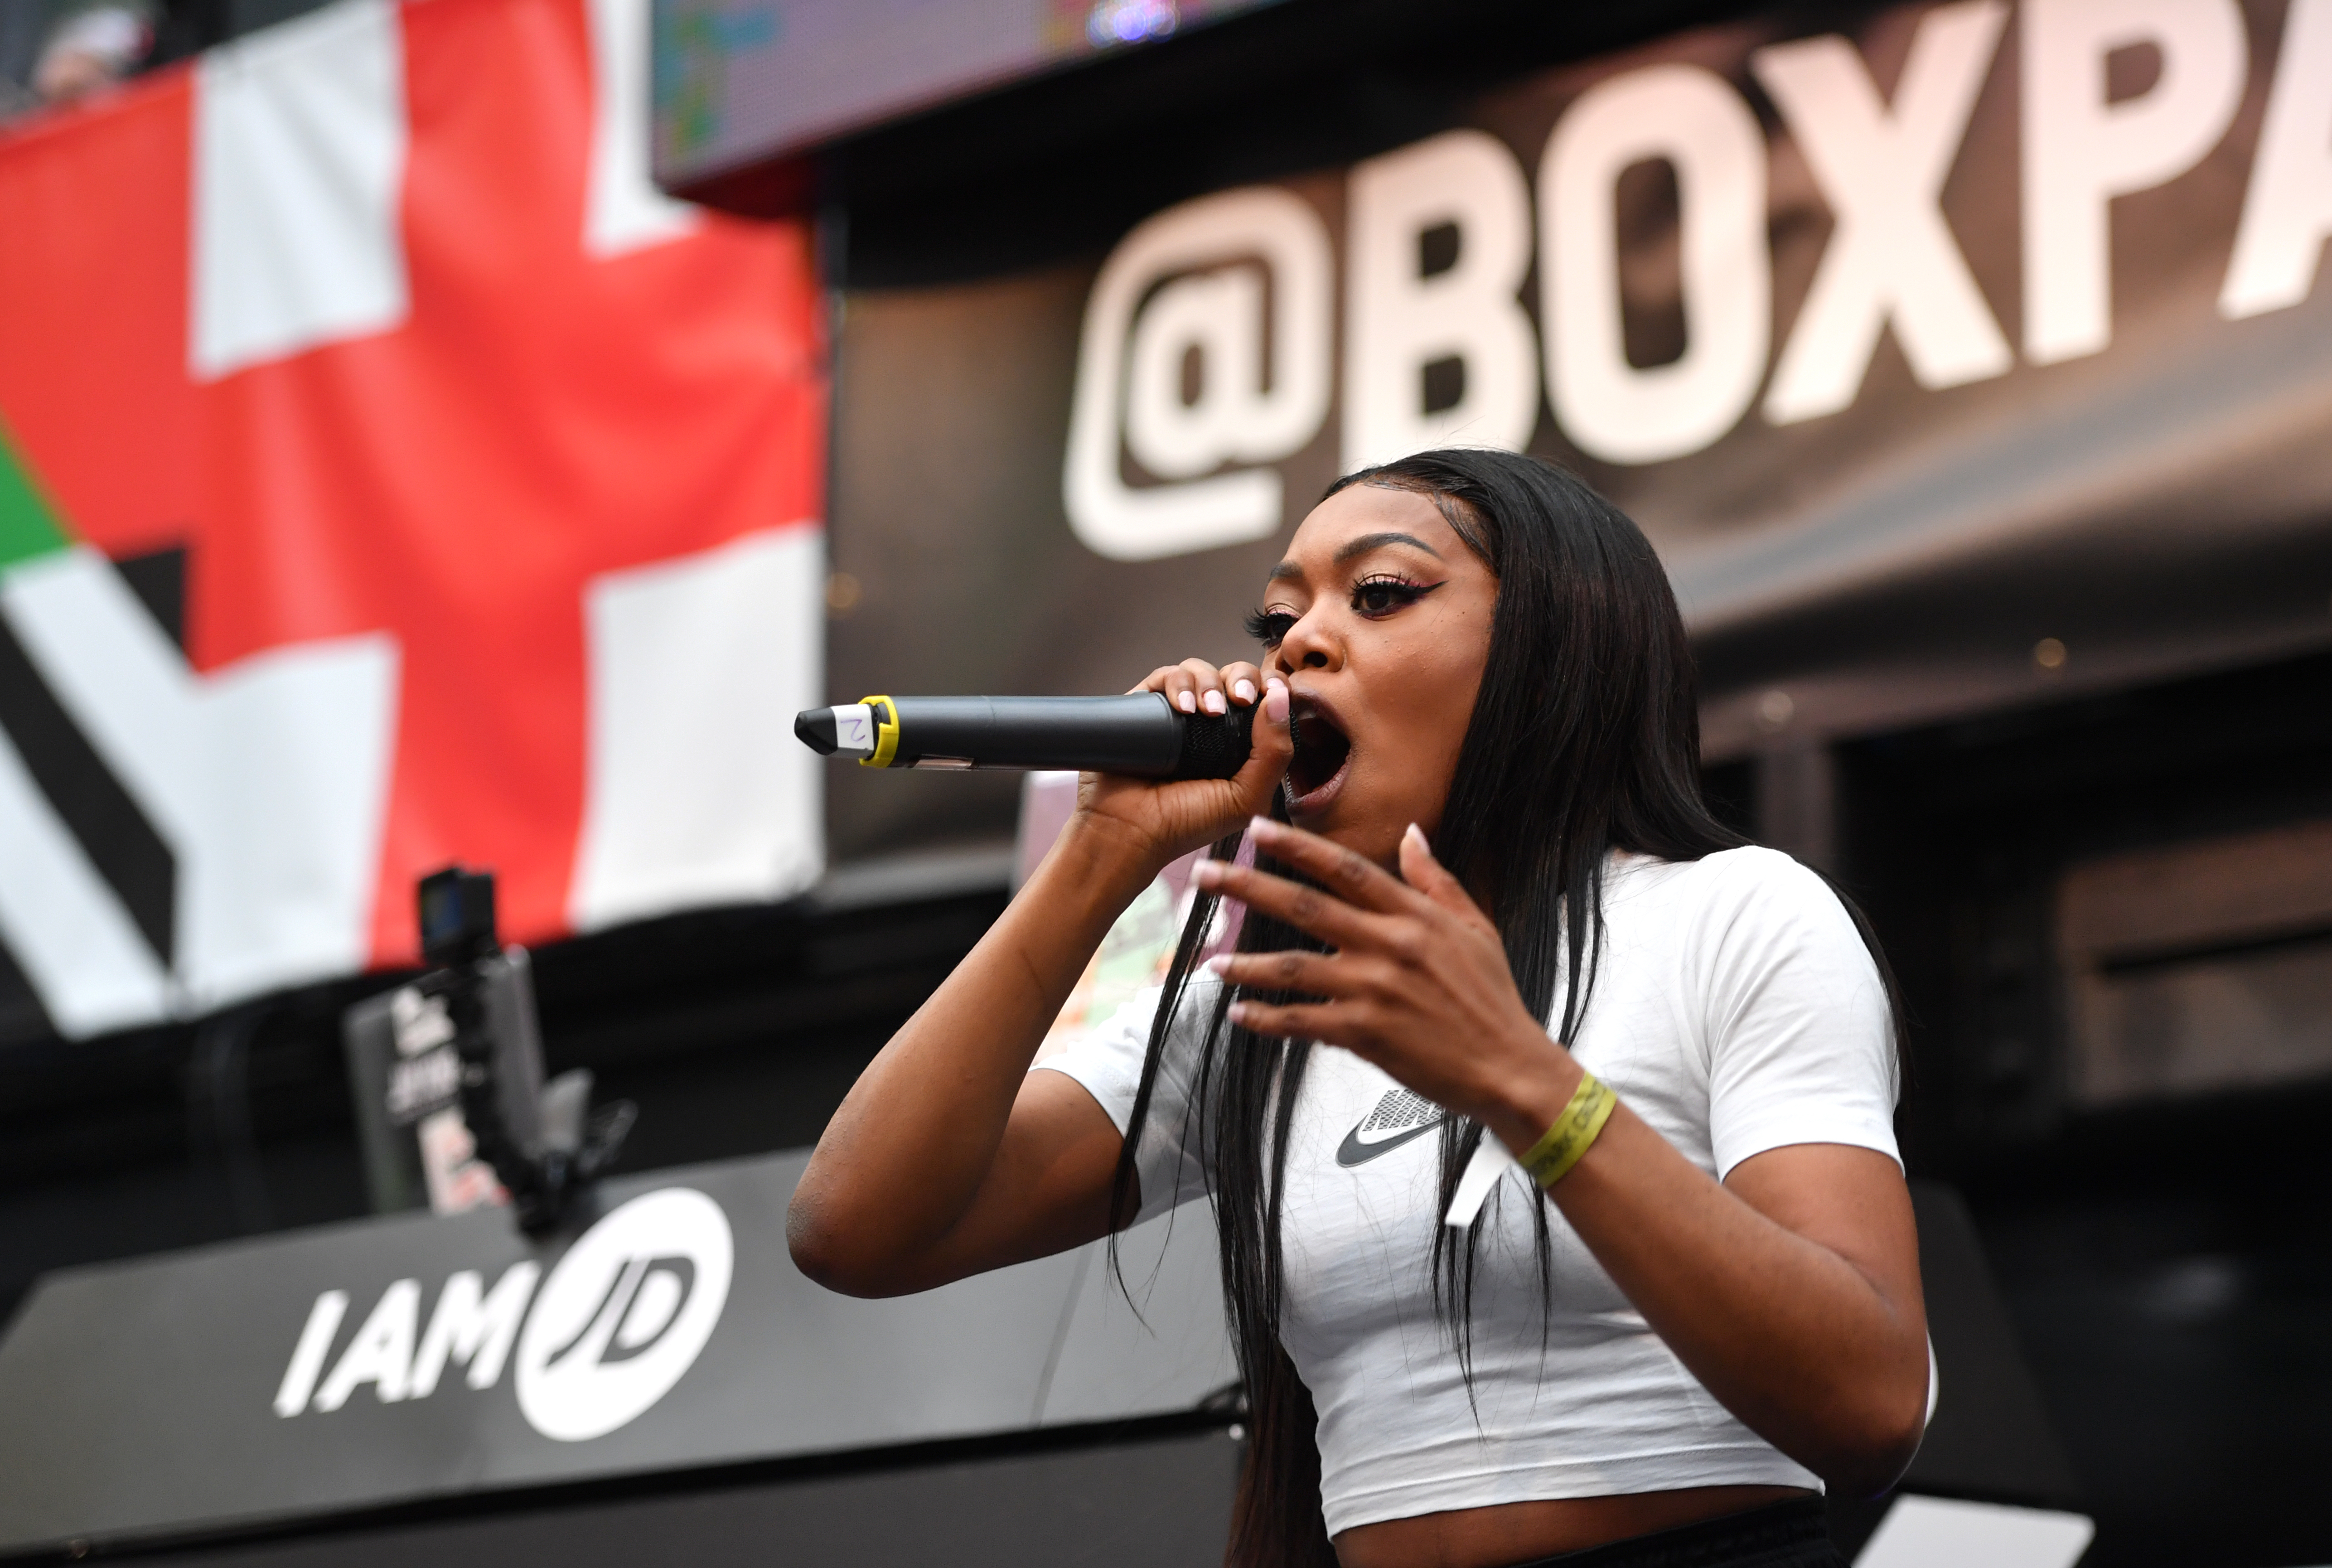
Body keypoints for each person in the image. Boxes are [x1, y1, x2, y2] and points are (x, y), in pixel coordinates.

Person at [789, 449, 1927, 1568]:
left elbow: (1871, 1402)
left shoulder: (1731, 916)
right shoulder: (1267, 1002)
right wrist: (1105, 852)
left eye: (1379, 594)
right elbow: (857, 1225)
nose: (1297, 643)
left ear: (1551, 650)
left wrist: (1522, 1081)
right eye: (1278, 619)